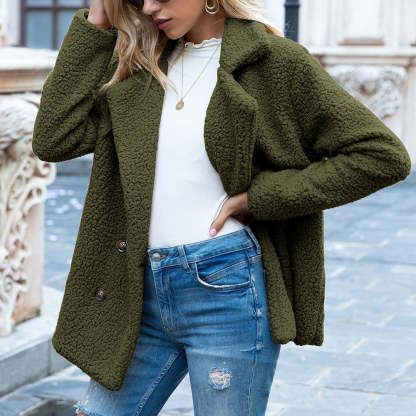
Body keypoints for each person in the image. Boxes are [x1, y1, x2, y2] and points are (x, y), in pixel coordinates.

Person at [31, 0, 411, 415]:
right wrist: (97, 21)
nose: (150, 7)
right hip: (138, 290)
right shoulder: (139, 64)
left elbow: (381, 155)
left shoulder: (275, 63)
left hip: (226, 290)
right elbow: (54, 139)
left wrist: (262, 198)